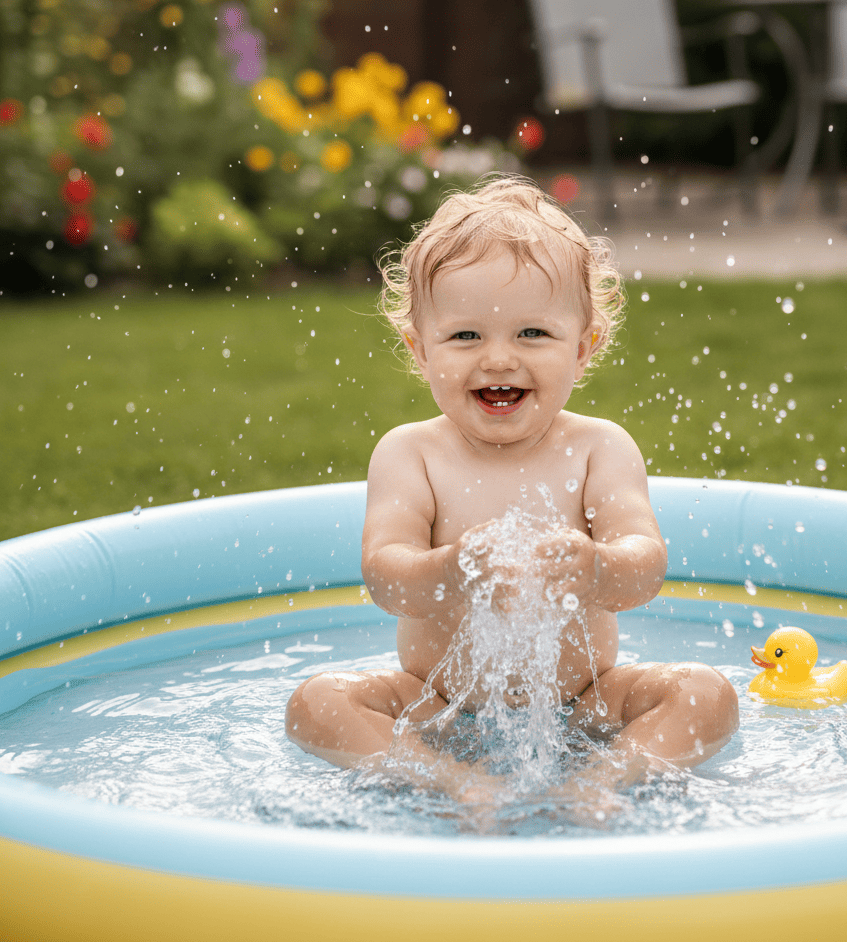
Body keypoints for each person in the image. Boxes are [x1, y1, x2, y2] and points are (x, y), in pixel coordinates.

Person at [285, 176, 738, 798]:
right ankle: (452, 783)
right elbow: (387, 578)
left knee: (706, 694)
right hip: (435, 704)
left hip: (585, 704)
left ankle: (602, 782)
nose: (498, 359)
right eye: (465, 335)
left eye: (532, 333)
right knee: (317, 703)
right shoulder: (411, 454)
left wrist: (597, 568)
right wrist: (451, 570)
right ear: (420, 349)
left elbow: (645, 565)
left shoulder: (599, 448)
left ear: (584, 348)